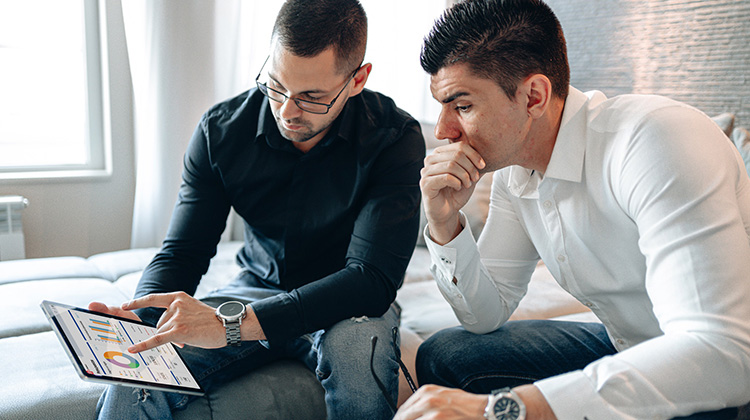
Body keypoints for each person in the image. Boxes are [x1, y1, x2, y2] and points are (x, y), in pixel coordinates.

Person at [394, 0, 750, 419]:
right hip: (631, 346)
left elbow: (723, 351)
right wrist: (443, 222)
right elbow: (484, 315)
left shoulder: (656, 139)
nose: (443, 131)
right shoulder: (516, 174)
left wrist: (508, 409)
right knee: (448, 353)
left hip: (719, 368)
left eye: (463, 106)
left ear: (533, 96)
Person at [89, 0, 424, 419]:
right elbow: (183, 251)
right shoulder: (222, 130)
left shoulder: (395, 138)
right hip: (254, 288)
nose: (286, 111)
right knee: (137, 375)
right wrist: (139, 318)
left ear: (358, 80)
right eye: (276, 84)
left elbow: (371, 280)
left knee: (359, 356)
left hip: (347, 303)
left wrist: (236, 324)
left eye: (311, 97)